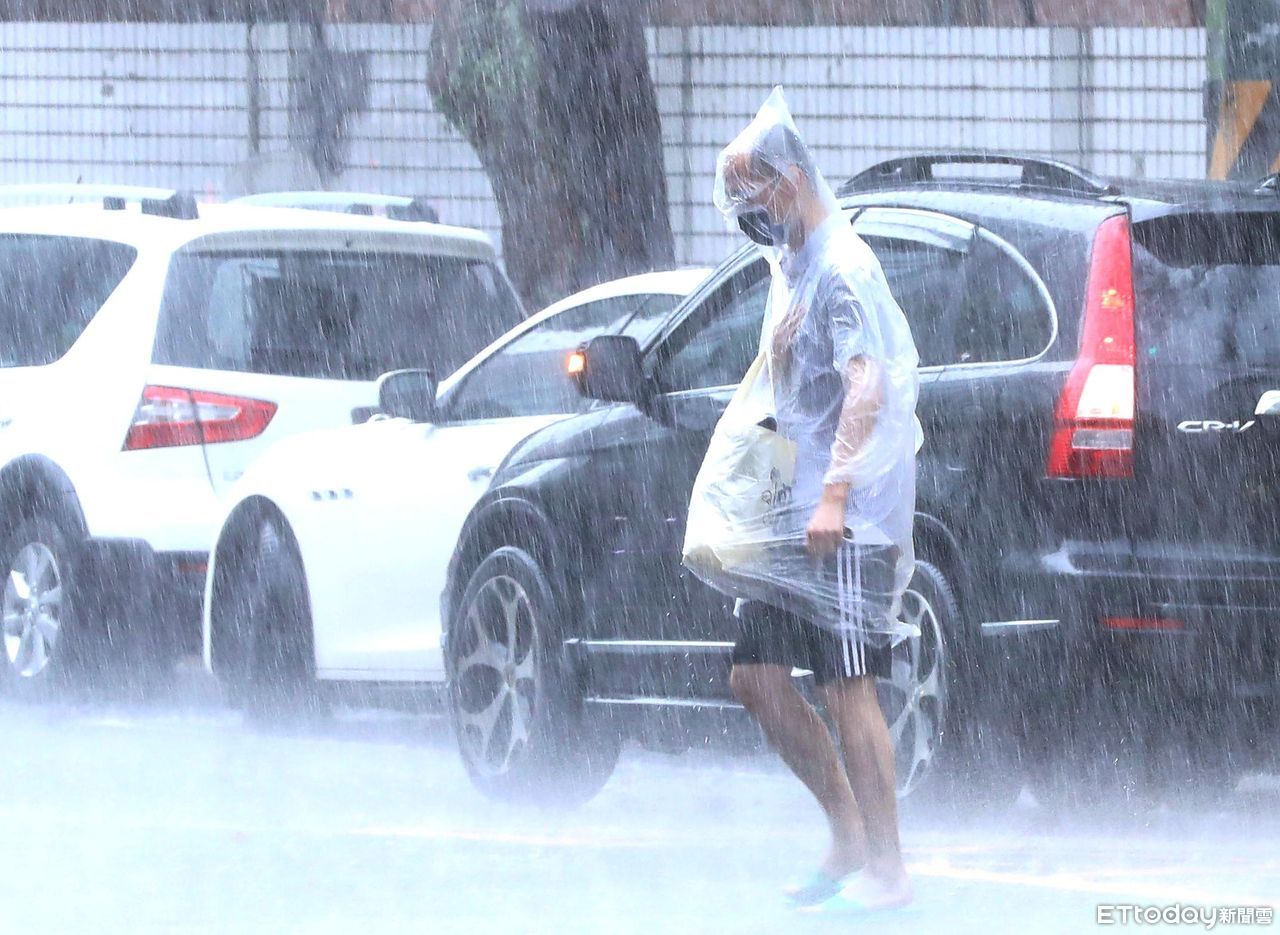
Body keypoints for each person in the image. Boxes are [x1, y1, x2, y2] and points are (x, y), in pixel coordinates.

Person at [709, 87, 921, 914]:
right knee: (756, 675)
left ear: (790, 180)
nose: (746, 214)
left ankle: (889, 870)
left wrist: (833, 494)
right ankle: (848, 832)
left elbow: (866, 385)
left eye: (753, 195)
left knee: (846, 682)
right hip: (795, 509)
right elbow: (796, 392)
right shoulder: (794, 265)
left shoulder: (842, 267)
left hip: (846, 514)